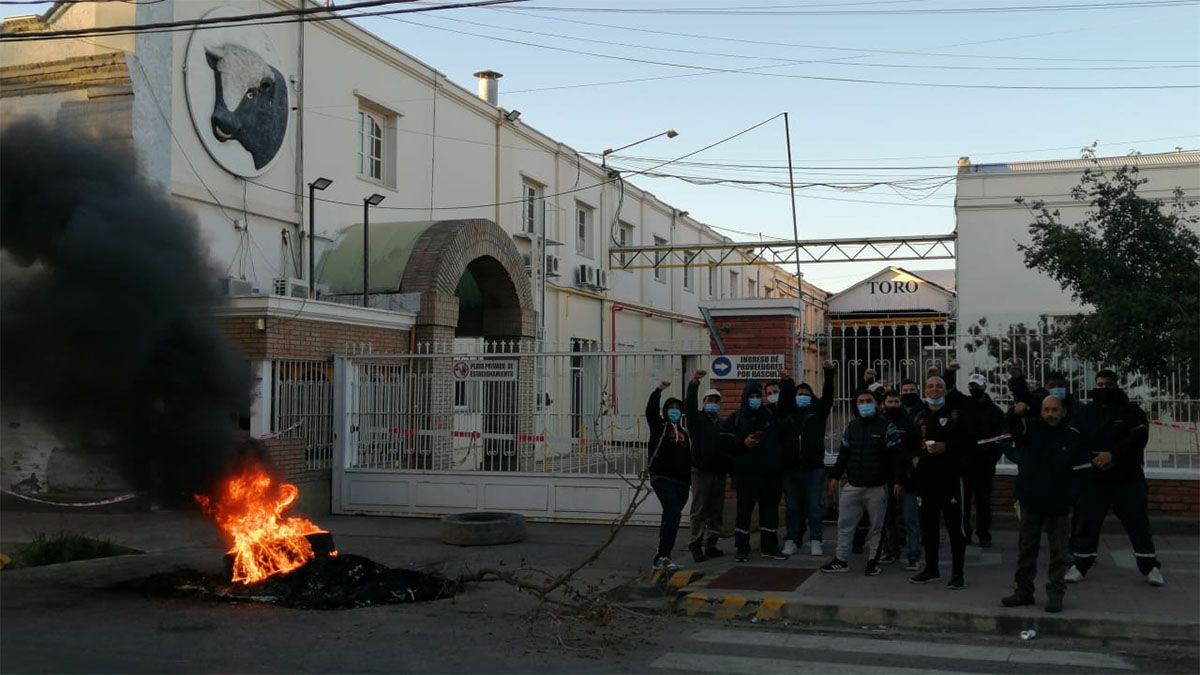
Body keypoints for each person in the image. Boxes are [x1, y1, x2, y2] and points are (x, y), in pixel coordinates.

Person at [1066, 370, 1164, 587]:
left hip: (1127, 477)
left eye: (1108, 384)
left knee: (1137, 523)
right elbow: (1075, 439)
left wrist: (1113, 456)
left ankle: (1150, 567)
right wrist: (1094, 459)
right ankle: (1080, 565)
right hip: (1094, 477)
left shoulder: (1131, 411)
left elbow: (1137, 438)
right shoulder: (1085, 413)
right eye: (1099, 384)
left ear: (1116, 386)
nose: (1103, 388)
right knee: (1087, 523)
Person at [1001, 395, 1091, 613]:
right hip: (1031, 500)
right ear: (1040, 411)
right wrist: (1016, 411)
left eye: (1054, 410)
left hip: (1059, 504)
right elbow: (1012, 428)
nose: (1050, 414)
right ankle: (1023, 592)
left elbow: (1082, 472)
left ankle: (1055, 595)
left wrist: (1070, 497)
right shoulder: (1030, 429)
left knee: (1059, 553)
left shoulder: (1073, 436)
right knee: (1026, 549)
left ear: (1062, 412)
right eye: (1046, 410)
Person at [821, 390, 902, 576]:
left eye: (868, 400)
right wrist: (834, 476)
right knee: (844, 525)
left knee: (877, 527)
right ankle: (840, 560)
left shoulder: (887, 427)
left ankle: (873, 561)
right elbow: (843, 454)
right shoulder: (852, 427)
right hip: (853, 486)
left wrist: (898, 480)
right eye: (861, 401)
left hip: (877, 487)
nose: (864, 404)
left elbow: (896, 457)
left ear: (876, 404)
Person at [907, 369, 970, 589]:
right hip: (925, 481)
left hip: (950, 481)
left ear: (945, 390)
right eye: (931, 386)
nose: (935, 389)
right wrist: (914, 457)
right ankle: (931, 569)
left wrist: (947, 447)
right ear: (925, 390)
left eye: (939, 386)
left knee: (954, 529)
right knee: (929, 528)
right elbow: (908, 443)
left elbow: (969, 443)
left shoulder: (956, 414)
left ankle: (957, 573)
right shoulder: (918, 414)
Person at [721, 379, 787, 563]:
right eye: (752, 396)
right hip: (746, 475)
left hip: (770, 475)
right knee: (744, 513)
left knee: (769, 512)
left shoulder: (770, 415)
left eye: (758, 396)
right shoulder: (735, 418)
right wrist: (743, 443)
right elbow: (725, 443)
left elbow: (782, 436)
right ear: (745, 397)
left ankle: (770, 547)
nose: (755, 399)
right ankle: (742, 548)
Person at [777, 362, 837, 557]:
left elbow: (828, 396)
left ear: (811, 397)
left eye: (806, 393)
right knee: (793, 507)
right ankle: (792, 540)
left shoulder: (817, 412)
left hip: (814, 469)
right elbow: (783, 401)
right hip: (791, 469)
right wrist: (786, 383)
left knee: (814, 507)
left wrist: (828, 373)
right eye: (799, 393)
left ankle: (815, 540)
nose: (802, 396)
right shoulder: (787, 413)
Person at [645, 380, 692, 573]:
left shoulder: (683, 432)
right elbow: (650, 411)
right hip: (662, 477)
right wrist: (658, 390)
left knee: (672, 516)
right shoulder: (660, 426)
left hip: (681, 481)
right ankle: (661, 556)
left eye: (677, 408)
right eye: (671, 408)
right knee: (672, 511)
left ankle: (664, 555)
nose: (674, 410)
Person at [958, 373, 1008, 548]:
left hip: (985, 465)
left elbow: (1001, 438)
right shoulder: (964, 406)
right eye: (971, 385)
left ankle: (984, 533)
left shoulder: (995, 411)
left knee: (983, 502)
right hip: (965, 463)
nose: (974, 388)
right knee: (964, 501)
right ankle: (965, 533)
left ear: (984, 387)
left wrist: (992, 457)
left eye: (977, 385)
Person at [685, 370, 727, 563]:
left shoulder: (721, 424)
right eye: (709, 400)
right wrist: (694, 383)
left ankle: (711, 545)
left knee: (716, 510)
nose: (712, 404)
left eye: (715, 401)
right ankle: (695, 545)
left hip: (718, 472)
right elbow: (690, 405)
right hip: (701, 471)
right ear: (703, 403)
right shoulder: (696, 420)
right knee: (699, 510)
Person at [880, 389, 920, 569]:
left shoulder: (910, 422)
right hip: (886, 476)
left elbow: (913, 448)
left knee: (910, 518)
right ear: (884, 403)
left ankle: (914, 554)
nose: (894, 405)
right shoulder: (880, 423)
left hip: (908, 477)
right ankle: (890, 550)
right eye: (890, 401)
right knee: (888, 518)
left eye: (896, 401)